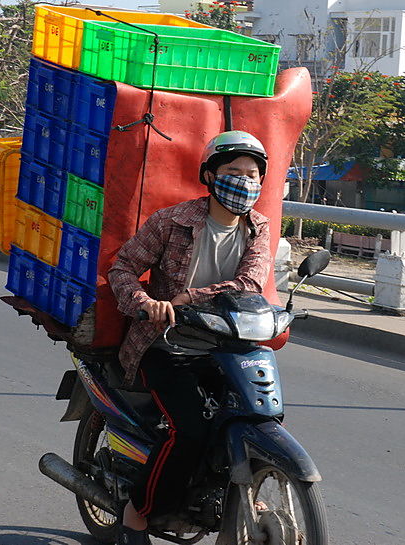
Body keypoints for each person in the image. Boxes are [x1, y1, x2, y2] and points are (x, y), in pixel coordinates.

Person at [108, 130, 273, 545]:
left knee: (259, 415)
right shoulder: (172, 221)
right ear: (209, 175)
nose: (245, 181)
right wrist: (145, 301)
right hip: (167, 345)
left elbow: (250, 283)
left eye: (253, 174)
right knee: (192, 430)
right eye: (233, 172)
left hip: (229, 346)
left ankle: (243, 496)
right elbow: (122, 267)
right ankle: (136, 515)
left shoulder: (259, 228)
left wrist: (187, 297)